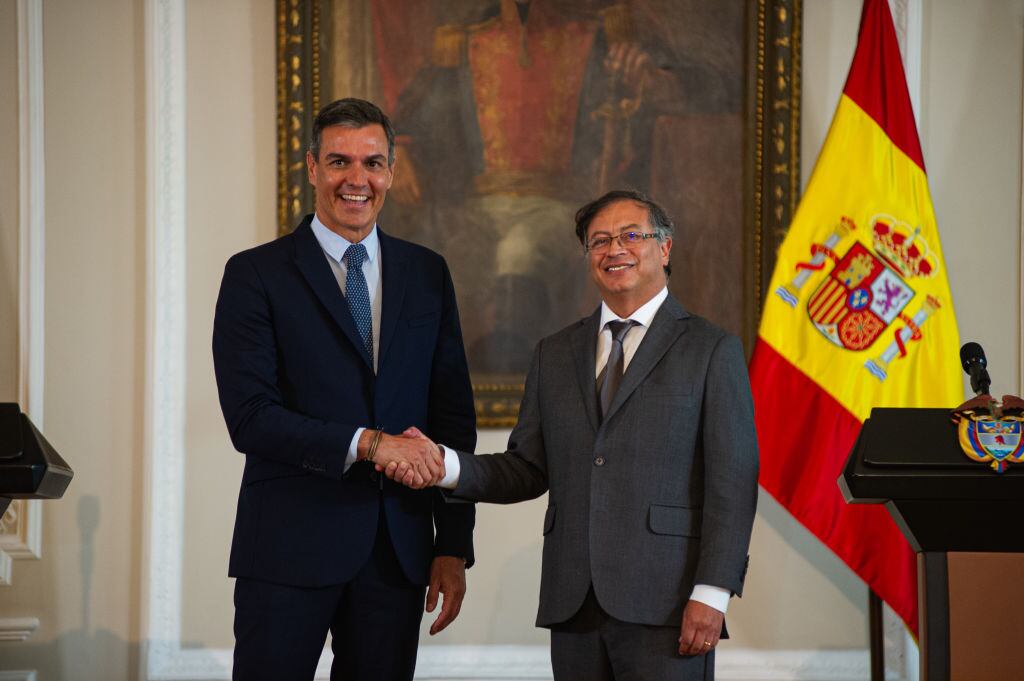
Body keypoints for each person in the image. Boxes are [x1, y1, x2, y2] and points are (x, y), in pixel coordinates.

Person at [389, 189, 758, 680]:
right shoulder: (555, 353)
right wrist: (444, 463)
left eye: (631, 235)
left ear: (664, 249)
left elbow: (732, 484)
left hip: (668, 603)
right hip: (574, 605)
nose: (614, 249)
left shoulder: (712, 349)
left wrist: (712, 594)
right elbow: (525, 467)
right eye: (599, 241)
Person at [212, 98, 476, 681]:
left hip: (397, 552)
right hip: (286, 547)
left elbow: (453, 418)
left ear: (391, 170)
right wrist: (370, 444)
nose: (357, 180)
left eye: (372, 163)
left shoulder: (427, 272)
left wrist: (452, 546)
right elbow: (251, 417)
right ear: (311, 168)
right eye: (338, 162)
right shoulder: (254, 274)